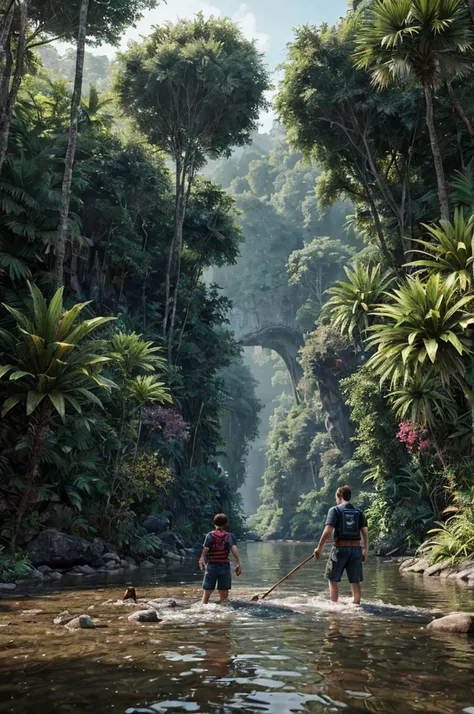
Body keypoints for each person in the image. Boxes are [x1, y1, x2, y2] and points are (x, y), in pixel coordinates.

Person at [313, 485, 368, 605]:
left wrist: (319, 548)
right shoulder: (359, 512)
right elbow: (365, 533)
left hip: (340, 549)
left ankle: (334, 605)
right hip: (356, 550)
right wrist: (365, 550)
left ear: (339, 496)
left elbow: (327, 531)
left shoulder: (335, 510)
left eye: (336, 497)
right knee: (355, 580)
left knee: (332, 578)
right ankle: (356, 604)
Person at [199, 513, 242, 604]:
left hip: (211, 566)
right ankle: (224, 610)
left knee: (207, 592)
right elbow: (234, 549)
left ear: (214, 523)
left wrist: (202, 559)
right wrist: (238, 563)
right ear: (226, 523)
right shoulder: (229, 536)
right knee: (224, 592)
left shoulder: (210, 535)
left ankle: (203, 607)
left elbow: (206, 549)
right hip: (224, 566)